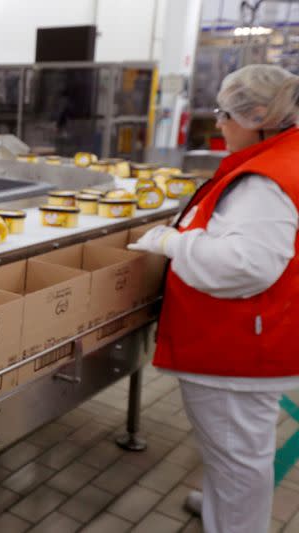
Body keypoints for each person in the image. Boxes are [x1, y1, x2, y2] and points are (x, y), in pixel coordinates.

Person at [129, 64, 299, 533]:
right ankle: (225, 507)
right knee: (237, 453)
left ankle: (236, 522)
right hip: (264, 333)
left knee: (239, 458)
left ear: (258, 114)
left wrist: (172, 243)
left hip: (239, 346)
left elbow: (242, 266)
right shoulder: (287, 155)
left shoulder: (266, 181)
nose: (219, 124)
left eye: (225, 114)